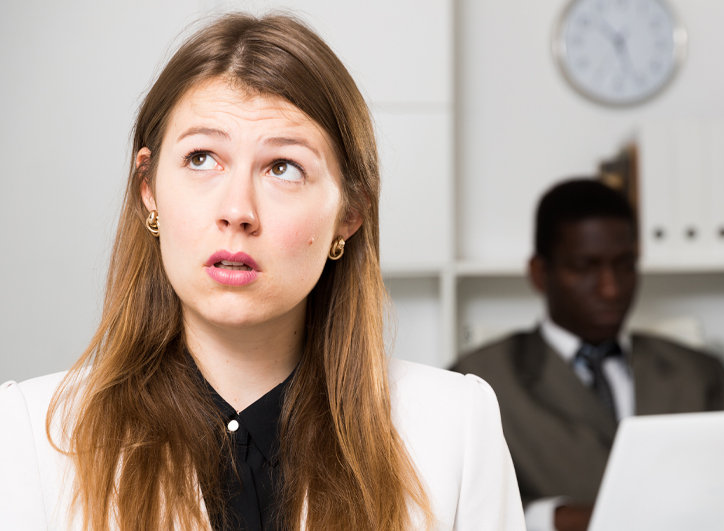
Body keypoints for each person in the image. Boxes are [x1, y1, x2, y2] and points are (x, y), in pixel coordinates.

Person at [0, 13, 525, 531]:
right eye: (202, 158)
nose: (238, 209)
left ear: (350, 213)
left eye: (283, 167)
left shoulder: (454, 428)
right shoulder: (31, 433)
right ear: (148, 192)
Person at [452, 179, 724, 531]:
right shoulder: (479, 382)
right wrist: (550, 518)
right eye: (585, 267)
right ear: (541, 273)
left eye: (624, 265)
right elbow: (447, 506)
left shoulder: (700, 374)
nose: (611, 288)